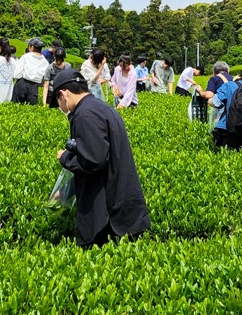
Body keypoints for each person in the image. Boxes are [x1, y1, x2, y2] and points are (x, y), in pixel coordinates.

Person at [51, 69, 151, 248]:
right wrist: (67, 189)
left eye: (58, 102)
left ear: (63, 94)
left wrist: (65, 157)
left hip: (107, 215)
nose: (60, 107)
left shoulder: (85, 115)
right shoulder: (100, 107)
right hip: (118, 203)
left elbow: (93, 161)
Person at [12, 38, 50, 105]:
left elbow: (17, 74)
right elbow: (43, 80)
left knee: (15, 107)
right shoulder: (45, 62)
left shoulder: (26, 57)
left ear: (31, 47)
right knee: (31, 108)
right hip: (34, 88)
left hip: (22, 84)